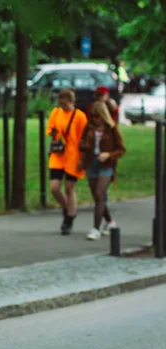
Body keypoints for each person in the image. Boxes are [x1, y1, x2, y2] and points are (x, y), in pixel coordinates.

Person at [78, 101, 126, 240]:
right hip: (92, 163)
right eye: (92, 116)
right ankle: (110, 222)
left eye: (97, 116)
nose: (95, 119)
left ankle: (96, 228)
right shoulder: (89, 127)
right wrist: (84, 148)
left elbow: (121, 149)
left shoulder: (112, 129)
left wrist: (109, 155)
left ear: (103, 115)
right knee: (97, 197)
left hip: (106, 166)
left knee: (100, 193)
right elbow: (82, 143)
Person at [47, 89, 88, 235]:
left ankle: (69, 219)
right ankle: (67, 209)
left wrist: (83, 160)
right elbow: (51, 131)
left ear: (72, 102)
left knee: (69, 187)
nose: (63, 107)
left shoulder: (80, 117)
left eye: (65, 105)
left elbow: (84, 140)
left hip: (73, 156)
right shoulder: (56, 113)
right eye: (61, 104)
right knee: (54, 188)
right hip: (58, 155)